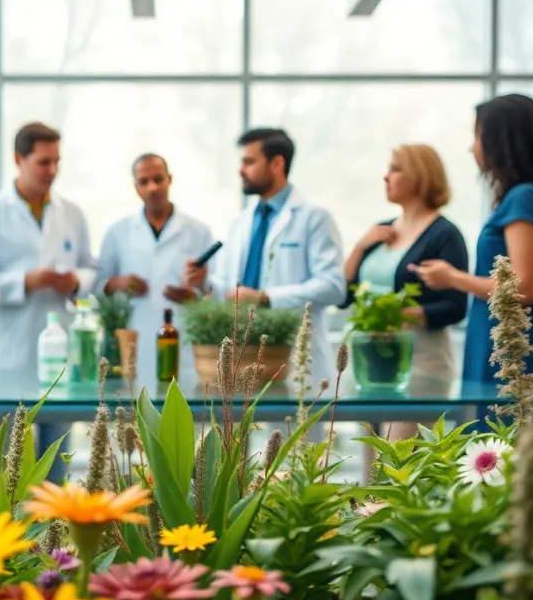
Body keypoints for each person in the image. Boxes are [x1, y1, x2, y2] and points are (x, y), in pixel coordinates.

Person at [409, 94, 533, 424]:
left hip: (518, 361)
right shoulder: (530, 198)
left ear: (501, 141)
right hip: (505, 354)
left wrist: (452, 278)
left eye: (477, 137)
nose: (472, 148)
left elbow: (524, 287)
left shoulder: (524, 199)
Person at [0, 122, 96, 475]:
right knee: (9, 460)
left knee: (57, 453)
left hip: (60, 349)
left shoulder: (71, 213)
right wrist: (26, 282)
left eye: (57, 161)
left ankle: (54, 526)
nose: (52, 171)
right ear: (19, 159)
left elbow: (92, 268)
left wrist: (75, 281)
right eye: (44, 162)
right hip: (10, 346)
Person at [184, 128, 346, 386]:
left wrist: (266, 298)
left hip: (296, 358)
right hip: (242, 358)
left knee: (297, 426)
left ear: (277, 163)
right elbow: (234, 293)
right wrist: (205, 281)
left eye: (249, 161)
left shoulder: (314, 218)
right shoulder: (241, 222)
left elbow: (334, 287)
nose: (241, 170)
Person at [344, 144, 468, 440]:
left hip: (421, 367)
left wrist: (399, 315)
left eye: (395, 169)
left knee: (395, 463)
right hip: (369, 368)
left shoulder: (444, 234)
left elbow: (454, 307)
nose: (386, 177)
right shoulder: (380, 231)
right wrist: (359, 247)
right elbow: (345, 295)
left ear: (419, 176)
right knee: (371, 470)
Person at [96, 153, 215, 389]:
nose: (152, 187)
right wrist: (118, 283)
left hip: (183, 343)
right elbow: (98, 287)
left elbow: (216, 291)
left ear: (169, 179)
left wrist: (196, 292)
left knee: (181, 414)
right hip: (133, 341)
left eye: (158, 179)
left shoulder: (198, 231)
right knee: (132, 416)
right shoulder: (117, 232)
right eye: (144, 181)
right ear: (135, 187)